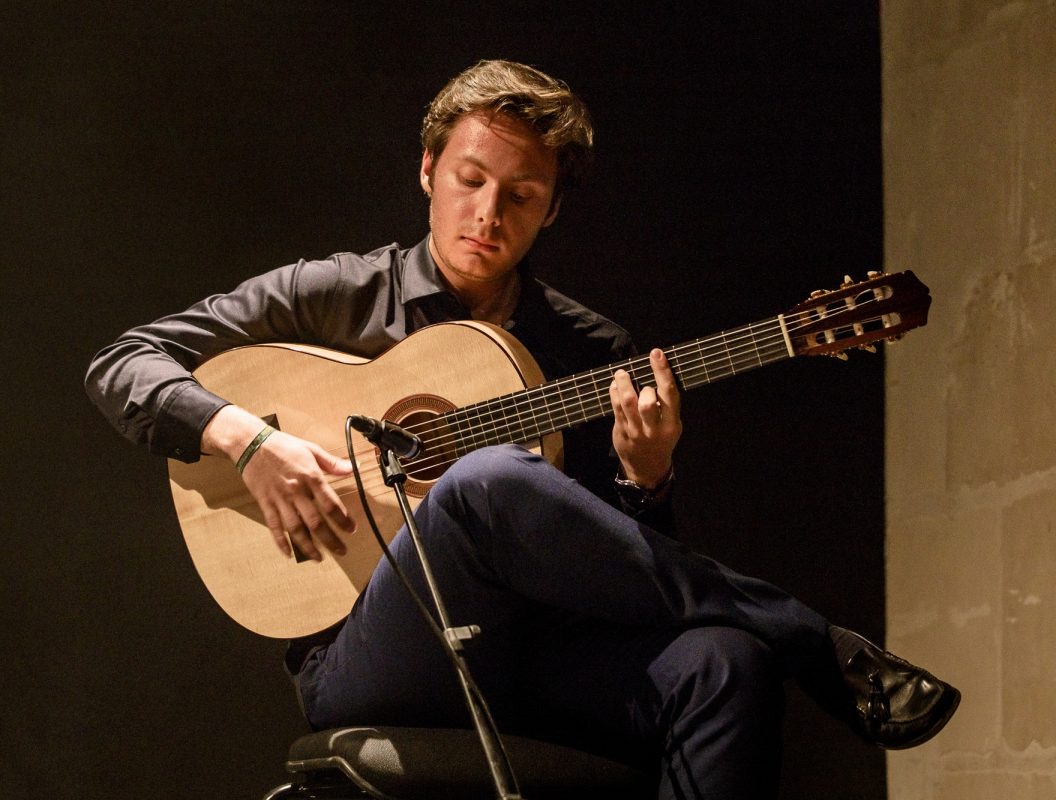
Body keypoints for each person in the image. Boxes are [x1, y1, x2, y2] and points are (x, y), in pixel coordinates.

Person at [85, 60, 959, 797]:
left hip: (539, 658)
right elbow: (124, 361)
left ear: (552, 210)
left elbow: (628, 569)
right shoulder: (336, 296)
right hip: (372, 657)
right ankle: (811, 638)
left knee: (725, 661)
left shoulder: (593, 351)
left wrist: (645, 478)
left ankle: (772, 640)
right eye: (469, 180)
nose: (488, 213)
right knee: (485, 480)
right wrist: (251, 442)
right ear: (428, 170)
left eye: (521, 194)